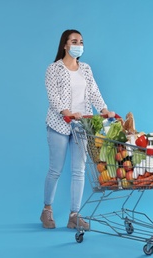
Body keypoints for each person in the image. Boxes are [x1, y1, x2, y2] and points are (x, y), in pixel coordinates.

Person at [41, 29, 115, 229]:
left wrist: (104, 109)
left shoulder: (86, 69)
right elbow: (53, 96)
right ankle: (47, 210)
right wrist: (66, 112)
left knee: (79, 171)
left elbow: (94, 92)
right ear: (65, 45)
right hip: (59, 124)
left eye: (81, 41)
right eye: (74, 41)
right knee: (55, 170)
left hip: (82, 126)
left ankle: (74, 215)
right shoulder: (53, 69)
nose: (78, 45)